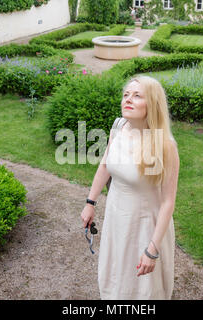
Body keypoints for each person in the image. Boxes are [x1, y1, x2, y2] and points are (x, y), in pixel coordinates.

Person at [80, 76, 180, 299]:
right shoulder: (119, 127)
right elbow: (105, 164)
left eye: (137, 95)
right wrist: (90, 202)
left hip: (145, 225)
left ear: (152, 104)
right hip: (117, 216)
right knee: (116, 275)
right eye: (126, 94)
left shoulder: (165, 146)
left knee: (142, 288)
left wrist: (152, 249)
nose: (128, 99)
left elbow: (167, 203)